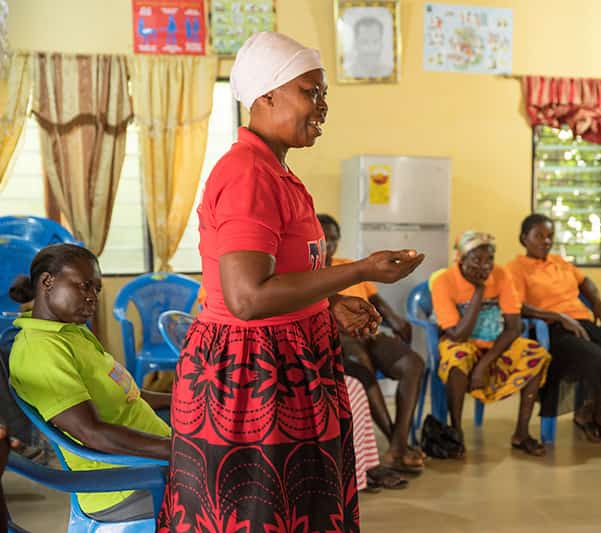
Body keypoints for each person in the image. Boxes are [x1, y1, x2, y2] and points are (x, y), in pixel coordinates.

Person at [160, 32, 423, 531]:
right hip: (251, 376)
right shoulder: (246, 176)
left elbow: (283, 274)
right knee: (259, 512)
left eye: (324, 94)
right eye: (311, 92)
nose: (322, 106)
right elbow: (247, 298)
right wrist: (362, 270)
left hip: (289, 360)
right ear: (266, 96)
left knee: (300, 509)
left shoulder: (278, 171)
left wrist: (329, 301)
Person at [7, 244, 172, 522]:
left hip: (150, 459)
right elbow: (91, 432)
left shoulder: (71, 334)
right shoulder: (40, 350)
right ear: (47, 282)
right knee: (245, 487)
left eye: (96, 290)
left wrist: (183, 398)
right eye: (84, 286)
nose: (91, 298)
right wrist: (181, 449)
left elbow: (128, 393)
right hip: (126, 481)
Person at [507, 214, 601, 444]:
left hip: (581, 322)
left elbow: (586, 283)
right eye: (539, 236)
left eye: (549, 236)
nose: (546, 241)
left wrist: (599, 306)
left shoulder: (559, 262)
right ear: (524, 238)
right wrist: (559, 317)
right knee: (600, 358)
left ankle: (592, 410)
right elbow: (518, 306)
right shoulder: (515, 268)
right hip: (549, 328)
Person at [319, 214, 426, 473]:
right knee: (362, 367)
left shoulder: (349, 266)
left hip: (370, 332)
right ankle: (397, 444)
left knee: (413, 363)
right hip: (340, 337)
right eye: (324, 239)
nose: (330, 245)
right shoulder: (310, 275)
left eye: (334, 239)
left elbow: (377, 302)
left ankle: (398, 445)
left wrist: (396, 320)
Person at [430, 231, 551, 456]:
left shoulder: (502, 275)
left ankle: (521, 433)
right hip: (460, 342)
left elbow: (514, 327)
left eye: (489, 260)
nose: (485, 267)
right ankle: (456, 432)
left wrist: (483, 365)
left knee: (536, 354)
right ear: (461, 259)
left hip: (496, 342)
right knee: (456, 360)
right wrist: (479, 292)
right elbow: (458, 335)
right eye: (477, 260)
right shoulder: (444, 281)